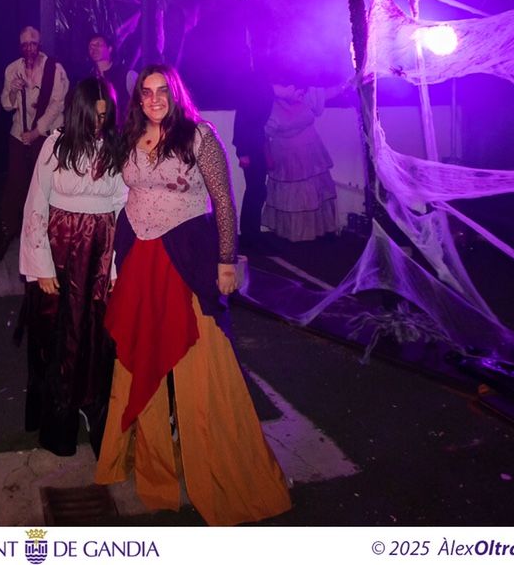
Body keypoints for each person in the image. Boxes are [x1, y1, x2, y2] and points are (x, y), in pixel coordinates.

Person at [95, 65, 291, 525]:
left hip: (185, 255)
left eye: (163, 91)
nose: (155, 99)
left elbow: (223, 200)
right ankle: (152, 467)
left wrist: (227, 260)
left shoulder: (199, 135)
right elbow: (124, 198)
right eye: (146, 92)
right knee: (137, 357)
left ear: (176, 93)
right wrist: (114, 264)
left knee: (201, 362)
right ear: (138, 99)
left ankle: (221, 468)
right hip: (139, 257)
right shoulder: (130, 137)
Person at [19, 78, 128, 456]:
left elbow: (121, 207)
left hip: (100, 250)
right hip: (60, 248)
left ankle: (92, 408)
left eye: (106, 115)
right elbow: (36, 204)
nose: (100, 122)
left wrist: (114, 268)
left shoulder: (116, 148)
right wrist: (41, 266)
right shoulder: (54, 145)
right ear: (79, 111)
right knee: (58, 335)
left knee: (96, 335)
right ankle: (58, 422)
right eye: (94, 115)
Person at [0, 26, 69, 262]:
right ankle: (7, 233)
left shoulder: (54, 69)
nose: (29, 47)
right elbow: (6, 104)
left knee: (46, 186)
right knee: (15, 184)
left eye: (32, 42)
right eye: (24, 43)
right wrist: (13, 92)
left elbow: (57, 103)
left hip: (46, 135)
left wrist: (37, 131)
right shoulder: (12, 69)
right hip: (18, 134)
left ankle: (46, 237)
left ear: (39, 43)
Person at [262, 82, 340, 242]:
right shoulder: (269, 104)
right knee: (292, 194)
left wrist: (349, 84)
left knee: (311, 192)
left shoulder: (308, 96)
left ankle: (314, 231)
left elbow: (331, 91)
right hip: (286, 155)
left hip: (309, 153)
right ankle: (292, 233)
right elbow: (264, 133)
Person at [232, 42, 275, 256]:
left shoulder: (259, 84)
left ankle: (252, 234)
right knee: (255, 190)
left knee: (257, 190)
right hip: (250, 144)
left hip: (254, 142)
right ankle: (250, 236)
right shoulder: (253, 86)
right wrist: (244, 152)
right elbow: (242, 120)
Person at [87, 31, 136, 103]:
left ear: (109, 49)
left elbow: (138, 102)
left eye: (98, 44)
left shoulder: (126, 74)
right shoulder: (89, 77)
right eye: (91, 46)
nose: (94, 48)